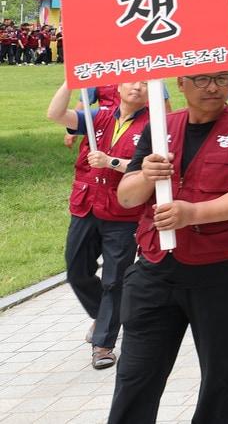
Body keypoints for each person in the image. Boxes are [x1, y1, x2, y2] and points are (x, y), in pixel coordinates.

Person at [107, 70, 228, 424]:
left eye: (222, 79)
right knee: (136, 374)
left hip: (218, 272)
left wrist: (194, 213)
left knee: (221, 374)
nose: (212, 87)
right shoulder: (160, 128)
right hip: (154, 270)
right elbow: (127, 197)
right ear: (180, 84)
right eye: (200, 80)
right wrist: (146, 175)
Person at [46, 82, 150, 369]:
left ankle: (103, 344)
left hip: (123, 211)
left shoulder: (155, 125)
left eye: (144, 83)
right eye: (132, 81)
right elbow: (55, 114)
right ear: (119, 87)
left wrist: (111, 162)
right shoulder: (98, 116)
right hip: (87, 206)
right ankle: (103, 314)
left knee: (114, 280)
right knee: (76, 270)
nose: (137, 87)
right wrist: (70, 81)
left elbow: (149, 168)